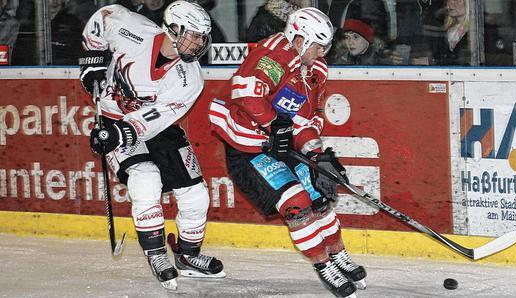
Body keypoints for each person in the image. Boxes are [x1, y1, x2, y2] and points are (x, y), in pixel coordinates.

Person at [208, 7, 366, 298]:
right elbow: (246, 92)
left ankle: (337, 254)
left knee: (319, 195)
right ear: (299, 39)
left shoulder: (316, 69)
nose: (322, 53)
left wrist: (317, 154)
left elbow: (306, 119)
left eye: (325, 47)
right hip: (249, 149)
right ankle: (323, 265)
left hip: (283, 143)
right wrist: (274, 125)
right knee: (296, 203)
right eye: (318, 46)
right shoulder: (274, 56)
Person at [79, 1, 225, 291]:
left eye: (201, 37)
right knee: (145, 179)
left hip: (157, 127)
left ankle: (188, 256)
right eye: (192, 34)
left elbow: (159, 117)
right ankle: (157, 254)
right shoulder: (132, 29)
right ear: (172, 28)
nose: (198, 43)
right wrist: (91, 62)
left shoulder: (190, 77)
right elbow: (103, 15)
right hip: (113, 117)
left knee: (196, 194)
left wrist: (121, 132)